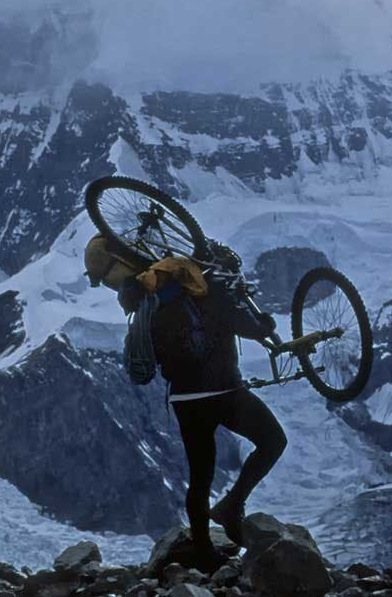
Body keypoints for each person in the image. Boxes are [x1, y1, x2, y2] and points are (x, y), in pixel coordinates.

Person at [84, 236, 287, 572]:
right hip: (224, 391)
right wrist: (266, 324)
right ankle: (233, 504)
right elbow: (250, 327)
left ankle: (204, 552)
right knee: (272, 441)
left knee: (200, 475)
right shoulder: (211, 288)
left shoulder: (152, 296)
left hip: (184, 398)